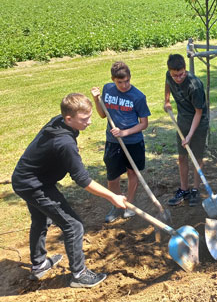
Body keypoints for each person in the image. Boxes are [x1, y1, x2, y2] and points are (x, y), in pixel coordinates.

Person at [11, 93, 127, 288]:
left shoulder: (59, 122)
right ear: (69, 118)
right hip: (34, 185)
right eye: (84, 119)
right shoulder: (64, 143)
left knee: (41, 219)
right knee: (74, 225)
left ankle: (39, 265)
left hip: (26, 179)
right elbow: (83, 180)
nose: (89, 122)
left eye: (89, 116)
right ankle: (79, 275)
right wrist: (113, 196)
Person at [91, 61, 150, 223]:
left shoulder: (138, 97)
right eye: (120, 82)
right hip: (113, 142)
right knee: (112, 177)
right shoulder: (108, 89)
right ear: (113, 79)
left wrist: (124, 132)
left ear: (130, 78)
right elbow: (103, 115)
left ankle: (129, 204)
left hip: (133, 142)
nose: (124, 85)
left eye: (127, 81)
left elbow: (144, 124)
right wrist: (97, 100)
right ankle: (116, 205)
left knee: (132, 173)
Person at [163, 54, 209, 206]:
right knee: (182, 157)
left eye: (181, 74)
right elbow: (167, 83)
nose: (178, 78)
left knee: (196, 158)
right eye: (175, 75)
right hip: (182, 121)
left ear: (185, 69)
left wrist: (189, 136)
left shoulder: (194, 85)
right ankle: (184, 189)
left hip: (198, 123)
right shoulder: (169, 76)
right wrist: (167, 100)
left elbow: (199, 112)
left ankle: (195, 189)